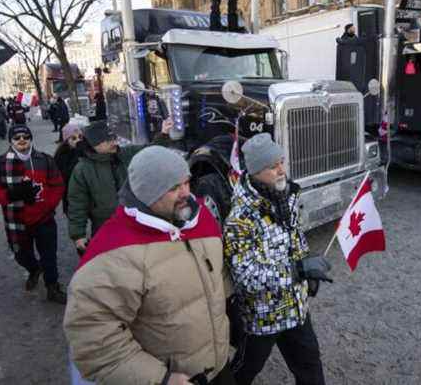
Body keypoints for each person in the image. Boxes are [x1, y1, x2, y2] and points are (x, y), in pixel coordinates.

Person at [64, 146, 234, 385]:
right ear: (148, 194)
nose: (187, 193)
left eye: (186, 182)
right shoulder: (112, 254)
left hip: (217, 369)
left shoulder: (200, 217)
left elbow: (218, 279)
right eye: (174, 188)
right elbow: (95, 342)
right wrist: (161, 379)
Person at [223, 133, 331, 385]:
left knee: (311, 367)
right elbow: (247, 277)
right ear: (255, 171)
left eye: (281, 161)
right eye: (273, 166)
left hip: (295, 308)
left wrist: (307, 270)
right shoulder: (240, 220)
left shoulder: (287, 198)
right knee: (244, 370)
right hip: (263, 317)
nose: (282, 170)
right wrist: (299, 270)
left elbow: (296, 241)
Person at [0, 124, 67, 304]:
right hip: (17, 221)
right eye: (17, 137)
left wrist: (48, 205)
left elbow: (57, 184)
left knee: (49, 255)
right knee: (21, 254)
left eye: (25, 137)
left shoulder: (45, 160)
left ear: (30, 139)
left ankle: (52, 287)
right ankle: (34, 269)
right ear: (11, 140)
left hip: (44, 218)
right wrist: (10, 195)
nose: (22, 140)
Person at [66, 119, 174, 254]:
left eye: (113, 138)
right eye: (108, 141)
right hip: (105, 227)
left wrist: (163, 134)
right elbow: (77, 204)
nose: (114, 143)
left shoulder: (125, 154)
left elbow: (149, 152)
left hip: (135, 221)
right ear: (94, 145)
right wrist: (78, 235)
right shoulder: (82, 170)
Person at [54, 123, 84, 216]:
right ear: (66, 140)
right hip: (70, 195)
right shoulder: (62, 155)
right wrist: (76, 154)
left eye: (80, 137)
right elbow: (66, 175)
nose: (78, 140)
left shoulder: (84, 150)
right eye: (73, 138)